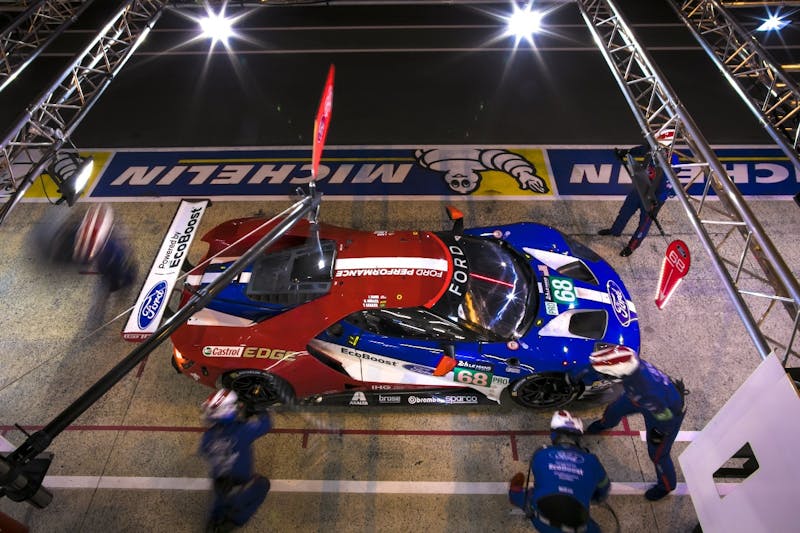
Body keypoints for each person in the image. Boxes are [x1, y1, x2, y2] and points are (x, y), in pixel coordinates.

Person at [585, 346, 687, 501]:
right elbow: (597, 363)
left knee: (658, 454)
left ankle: (666, 486)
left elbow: (664, 416)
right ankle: (604, 424)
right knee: (614, 410)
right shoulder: (629, 360)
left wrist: (660, 433)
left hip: (665, 414)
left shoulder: (647, 392)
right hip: (639, 397)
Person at [509, 410, 611, 532]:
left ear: (553, 435)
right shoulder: (592, 461)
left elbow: (541, 482)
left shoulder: (540, 454)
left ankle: (514, 493)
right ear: (578, 437)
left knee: (529, 494)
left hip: (541, 522)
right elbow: (604, 488)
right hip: (577, 529)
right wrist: (595, 498)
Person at [199, 388, 272, 533]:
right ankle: (233, 522)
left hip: (220, 483)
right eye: (234, 405)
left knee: (219, 502)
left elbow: (204, 450)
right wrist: (261, 409)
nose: (237, 406)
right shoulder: (242, 431)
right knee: (263, 484)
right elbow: (266, 425)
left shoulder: (208, 436)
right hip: (239, 485)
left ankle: (213, 521)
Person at [598, 134, 679, 257]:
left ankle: (632, 246)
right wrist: (626, 152)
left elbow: (669, 186)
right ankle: (615, 230)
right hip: (640, 187)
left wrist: (655, 203)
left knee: (644, 223)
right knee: (625, 211)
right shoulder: (653, 148)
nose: (654, 146)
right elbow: (642, 149)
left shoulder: (672, 162)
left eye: (658, 145)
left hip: (653, 198)